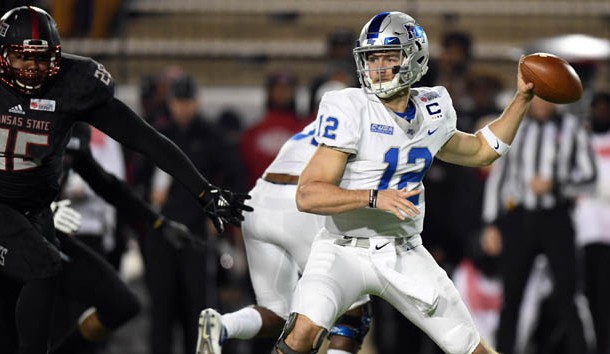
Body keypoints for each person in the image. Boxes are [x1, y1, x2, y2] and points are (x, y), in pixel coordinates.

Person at [273, 11, 535, 354]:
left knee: (474, 349)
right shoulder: (350, 107)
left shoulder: (432, 108)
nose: (378, 67)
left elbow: (481, 150)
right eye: (372, 57)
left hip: (403, 250)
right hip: (341, 249)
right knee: (301, 334)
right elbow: (308, 194)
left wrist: (521, 100)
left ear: (414, 58)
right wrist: (373, 197)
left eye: (389, 57)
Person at [0, 6, 250, 354]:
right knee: (41, 269)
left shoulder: (72, 88)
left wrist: (203, 191)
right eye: (22, 58)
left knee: (115, 301)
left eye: (42, 59)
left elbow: (144, 140)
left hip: (38, 218)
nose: (33, 68)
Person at [196, 106, 372, 354]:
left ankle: (223, 325)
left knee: (277, 313)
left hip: (258, 202)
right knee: (354, 311)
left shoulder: (313, 126)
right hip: (300, 205)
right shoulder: (366, 128)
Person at [481, 96, 597, 354]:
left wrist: (556, 185)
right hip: (519, 217)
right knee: (511, 296)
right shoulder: (516, 128)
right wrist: (491, 222)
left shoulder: (572, 128)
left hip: (556, 217)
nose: (543, 104)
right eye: (540, 99)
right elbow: (499, 177)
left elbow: (589, 177)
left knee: (569, 295)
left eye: (549, 99)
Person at [147, 74, 248, 354]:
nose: (182, 108)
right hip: (161, 233)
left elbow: (236, 177)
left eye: (187, 101)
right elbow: (139, 179)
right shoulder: (160, 134)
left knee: (199, 307)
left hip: (196, 236)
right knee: (162, 308)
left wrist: (219, 216)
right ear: (170, 103)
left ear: (197, 102)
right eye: (178, 102)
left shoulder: (211, 135)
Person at [573, 91, 610, 354]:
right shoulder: (578, 141)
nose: (601, 113)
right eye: (597, 108)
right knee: (586, 300)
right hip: (583, 233)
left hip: (607, 234)